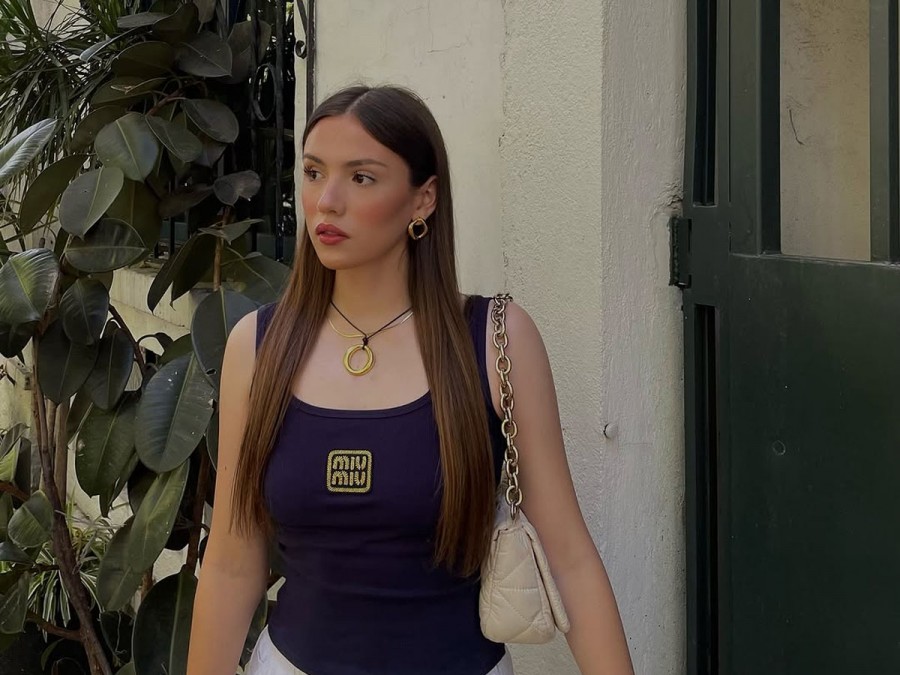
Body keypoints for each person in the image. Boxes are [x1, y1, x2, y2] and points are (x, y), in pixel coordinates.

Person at [186, 85, 634, 675]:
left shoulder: (495, 340)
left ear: (423, 200)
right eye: (314, 173)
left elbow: (569, 557)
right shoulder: (257, 346)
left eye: (361, 178)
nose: (327, 202)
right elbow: (230, 562)